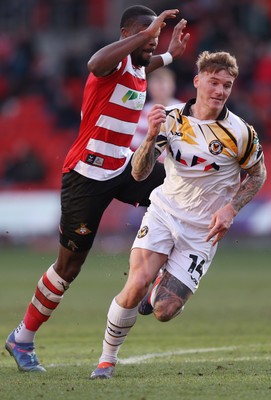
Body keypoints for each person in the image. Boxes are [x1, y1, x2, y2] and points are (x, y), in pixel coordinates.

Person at [5, 5, 190, 372]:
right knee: (68, 268)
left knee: (177, 193)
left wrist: (170, 53)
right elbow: (94, 62)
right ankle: (22, 338)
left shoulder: (137, 68)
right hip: (85, 177)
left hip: (122, 168)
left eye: (152, 40)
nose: (150, 45)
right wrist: (148, 34)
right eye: (146, 38)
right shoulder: (109, 66)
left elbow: (145, 66)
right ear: (127, 36)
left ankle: (159, 281)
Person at [90, 50, 267, 379]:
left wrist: (232, 208)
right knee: (136, 283)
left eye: (226, 85)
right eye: (213, 82)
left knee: (164, 311)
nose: (219, 91)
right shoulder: (171, 119)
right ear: (198, 82)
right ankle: (106, 360)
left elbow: (258, 175)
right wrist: (149, 137)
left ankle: (161, 289)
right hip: (164, 214)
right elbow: (140, 174)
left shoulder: (240, 132)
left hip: (203, 232)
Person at [131, 66, 181, 158]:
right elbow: (135, 146)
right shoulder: (142, 113)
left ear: (173, 85)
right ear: (149, 87)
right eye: (157, 82)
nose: (161, 86)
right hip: (150, 164)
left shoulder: (183, 111)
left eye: (165, 81)